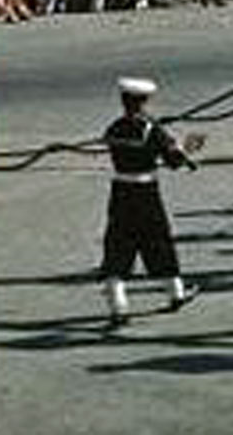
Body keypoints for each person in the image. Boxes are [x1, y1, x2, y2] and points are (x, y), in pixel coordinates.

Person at [99, 77, 200, 327]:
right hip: (146, 191)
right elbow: (174, 161)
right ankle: (175, 293)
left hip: (121, 190)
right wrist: (187, 149)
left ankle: (117, 304)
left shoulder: (114, 128)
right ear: (144, 101)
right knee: (158, 240)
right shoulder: (150, 129)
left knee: (118, 242)